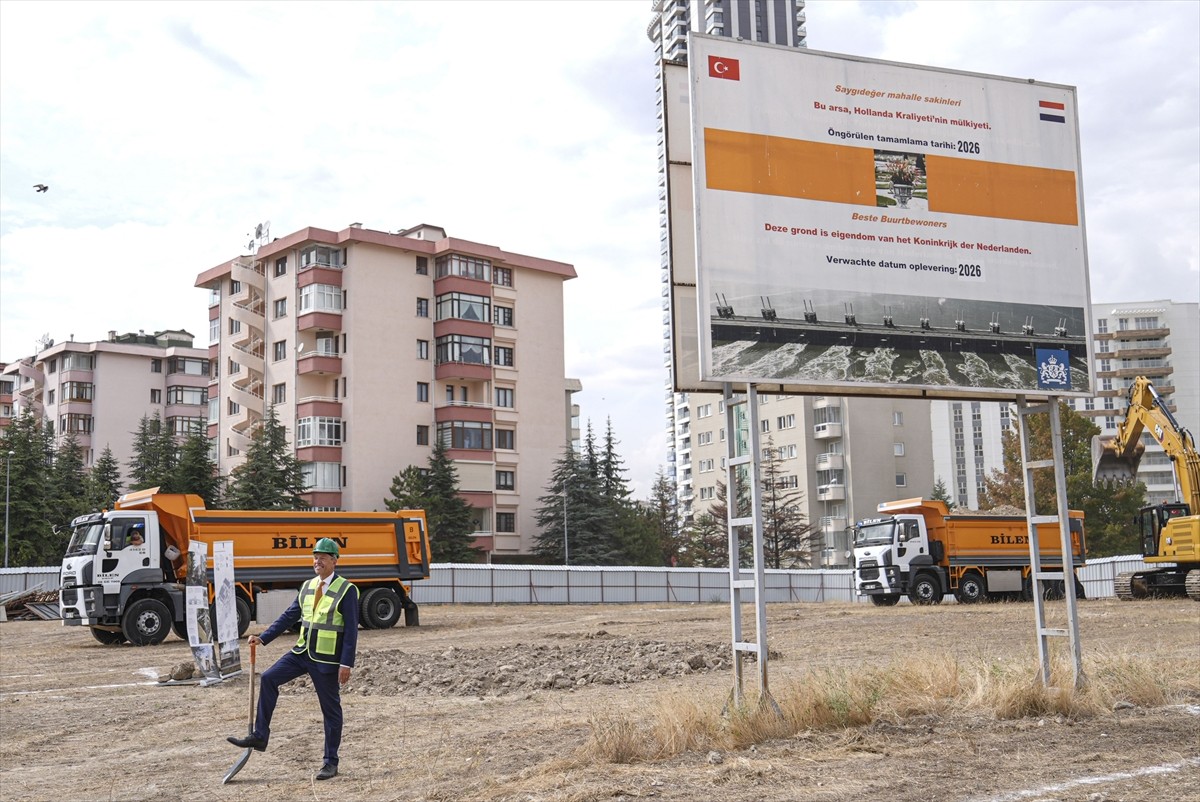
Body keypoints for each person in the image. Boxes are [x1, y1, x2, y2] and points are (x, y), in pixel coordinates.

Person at [227, 538, 359, 781]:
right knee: (268, 678)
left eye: (322, 557)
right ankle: (260, 736)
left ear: (334, 561)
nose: (317, 560)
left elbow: (351, 630)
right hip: (301, 653)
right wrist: (263, 638)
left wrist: (346, 663)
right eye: (315, 556)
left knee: (330, 712)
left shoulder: (347, 590)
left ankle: (330, 762)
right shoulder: (308, 586)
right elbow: (289, 616)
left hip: (327, 660)